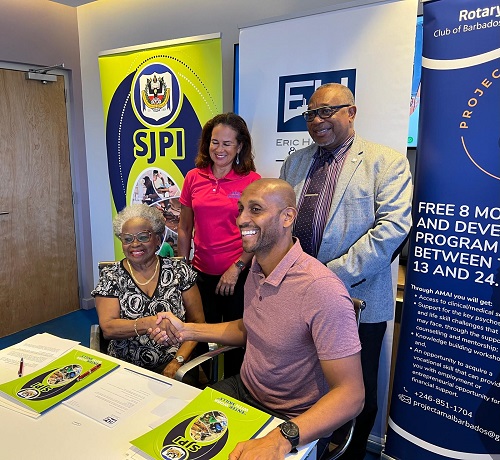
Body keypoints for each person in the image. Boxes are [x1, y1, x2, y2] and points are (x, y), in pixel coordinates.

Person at [150, 179, 364, 459]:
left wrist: (281, 438)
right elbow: (250, 329)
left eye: (255, 209)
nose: (241, 219)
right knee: (167, 446)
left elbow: (351, 395)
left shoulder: (321, 289)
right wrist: (187, 330)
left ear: (287, 217)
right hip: (243, 390)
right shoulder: (256, 267)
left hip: (292, 418)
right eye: (240, 209)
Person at [280, 83, 413, 460]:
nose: (317, 121)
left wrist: (326, 278)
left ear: (351, 113)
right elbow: (281, 222)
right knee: (307, 384)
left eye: (327, 112)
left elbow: (392, 231)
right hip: (296, 297)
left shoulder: (385, 161)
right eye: (310, 114)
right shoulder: (296, 162)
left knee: (355, 394)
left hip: (356, 298)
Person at [177, 112, 261, 377]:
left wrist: (236, 268)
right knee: (199, 336)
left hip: (238, 275)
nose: (219, 149)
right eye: (215, 142)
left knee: (237, 340)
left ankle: (234, 394)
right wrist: (182, 268)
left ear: (240, 146)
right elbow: (184, 227)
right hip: (201, 275)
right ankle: (201, 391)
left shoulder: (251, 181)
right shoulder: (193, 177)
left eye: (227, 143)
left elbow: (255, 232)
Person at [91, 204, 205, 378]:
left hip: (175, 364)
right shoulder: (111, 276)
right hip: (125, 367)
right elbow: (108, 328)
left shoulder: (179, 271)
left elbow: (198, 322)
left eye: (143, 236)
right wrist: (151, 323)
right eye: (127, 239)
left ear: (158, 239)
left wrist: (178, 361)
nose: (135, 244)